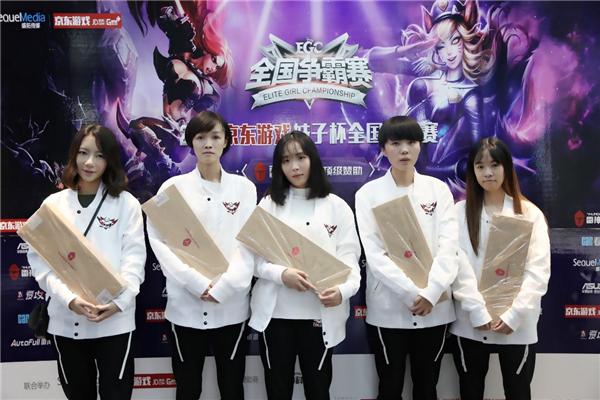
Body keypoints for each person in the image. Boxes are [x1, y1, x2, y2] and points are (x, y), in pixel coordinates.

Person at [27, 124, 146, 399]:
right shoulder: (53, 205)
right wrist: (69, 299)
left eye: (99, 155)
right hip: (66, 322)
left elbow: (134, 260)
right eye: (83, 153)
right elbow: (40, 261)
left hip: (116, 322)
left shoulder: (126, 204)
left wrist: (118, 303)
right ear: (74, 155)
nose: (89, 162)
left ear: (110, 160)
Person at [146, 111, 257, 400]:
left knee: (232, 387)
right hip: (185, 307)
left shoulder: (244, 189)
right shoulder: (172, 188)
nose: (208, 144)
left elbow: (248, 244)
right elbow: (160, 241)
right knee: (187, 388)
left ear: (226, 142)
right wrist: (195, 283)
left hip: (231, 307)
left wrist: (226, 286)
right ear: (190, 142)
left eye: (215, 137)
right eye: (200, 137)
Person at [248, 131, 361, 399]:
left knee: (318, 390)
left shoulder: (337, 207)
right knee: (277, 390)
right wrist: (281, 274)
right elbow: (253, 260)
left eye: (301, 158)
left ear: (313, 159)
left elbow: (350, 260)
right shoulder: (269, 205)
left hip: (320, 315)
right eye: (286, 160)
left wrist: (342, 291)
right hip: (276, 316)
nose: (295, 167)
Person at [354, 116, 458, 399]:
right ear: (383, 148)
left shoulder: (438, 190)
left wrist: (431, 293)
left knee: (427, 387)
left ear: (420, 146)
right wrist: (412, 294)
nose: (404, 150)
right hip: (388, 310)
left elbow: (449, 247)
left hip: (435, 308)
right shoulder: (368, 194)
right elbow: (374, 254)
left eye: (411, 142)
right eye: (395, 143)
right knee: (390, 387)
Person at [450, 137, 550, 400]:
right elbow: (457, 267)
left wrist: (514, 314)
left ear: (506, 167)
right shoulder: (458, 213)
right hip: (471, 323)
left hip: (517, 324)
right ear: (472, 170)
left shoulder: (529, 213)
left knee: (518, 392)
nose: (488, 173)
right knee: (470, 391)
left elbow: (538, 271)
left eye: (494, 165)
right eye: (480, 166)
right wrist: (477, 311)